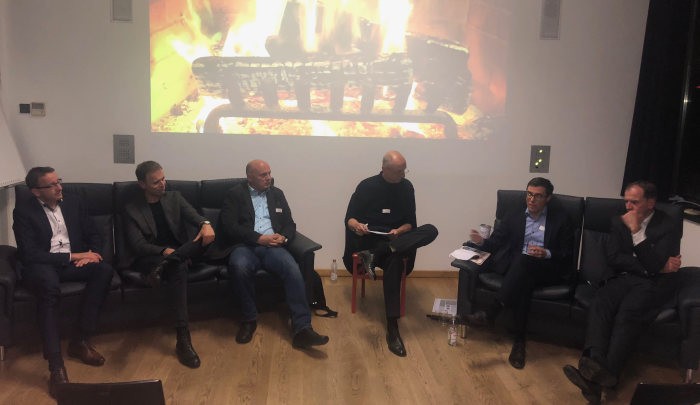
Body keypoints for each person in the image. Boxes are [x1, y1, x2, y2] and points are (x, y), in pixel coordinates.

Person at [563, 181, 682, 404]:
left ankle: (601, 377)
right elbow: (614, 258)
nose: (628, 206)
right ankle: (596, 365)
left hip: (652, 284)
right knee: (600, 302)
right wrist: (651, 265)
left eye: (634, 202)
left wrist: (637, 232)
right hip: (624, 277)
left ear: (650, 203)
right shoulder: (617, 221)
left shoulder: (668, 224)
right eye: (626, 201)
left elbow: (656, 267)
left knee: (628, 313)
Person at [12, 167, 114, 397]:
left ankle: (80, 340)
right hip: (42, 265)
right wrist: (73, 256)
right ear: (36, 192)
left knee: (104, 271)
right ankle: (56, 365)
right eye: (52, 185)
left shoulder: (74, 203)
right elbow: (29, 254)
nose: (60, 187)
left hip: (73, 262)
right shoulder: (23, 212)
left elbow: (94, 234)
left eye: (59, 181)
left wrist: (92, 254)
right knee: (49, 287)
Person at [217, 160, 329, 349]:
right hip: (245, 246)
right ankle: (249, 319)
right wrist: (258, 238)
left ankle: (302, 328)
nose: (269, 178)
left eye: (269, 173)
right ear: (250, 177)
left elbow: (290, 223)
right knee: (239, 266)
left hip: (273, 247)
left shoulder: (277, 194)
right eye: (263, 175)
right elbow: (229, 226)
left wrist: (283, 237)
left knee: (292, 268)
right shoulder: (235, 194)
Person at [464, 177, 574, 369]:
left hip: (547, 268)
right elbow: (496, 242)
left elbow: (567, 253)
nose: (532, 199)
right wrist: (481, 242)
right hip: (520, 268)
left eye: (538, 196)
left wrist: (546, 253)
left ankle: (491, 313)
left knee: (524, 265)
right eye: (529, 194)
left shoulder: (560, 219)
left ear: (548, 198)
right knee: (524, 278)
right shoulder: (514, 214)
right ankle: (519, 342)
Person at [343, 150, 438, 357]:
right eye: (398, 171)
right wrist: (357, 226)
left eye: (404, 170)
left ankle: (375, 254)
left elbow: (410, 223)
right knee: (394, 259)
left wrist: (399, 231)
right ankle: (392, 328)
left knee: (431, 230)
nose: (403, 175)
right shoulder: (366, 186)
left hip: (396, 240)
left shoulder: (406, 187)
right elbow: (349, 219)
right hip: (370, 238)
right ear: (384, 169)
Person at [123, 161, 215, 368]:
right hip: (152, 256)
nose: (163, 184)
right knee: (178, 265)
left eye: (163, 179)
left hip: (180, 252)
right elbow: (138, 245)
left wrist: (206, 224)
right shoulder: (132, 209)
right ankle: (183, 338)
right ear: (142, 184)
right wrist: (164, 252)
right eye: (156, 182)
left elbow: (196, 217)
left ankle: (165, 266)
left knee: (207, 237)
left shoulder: (175, 197)